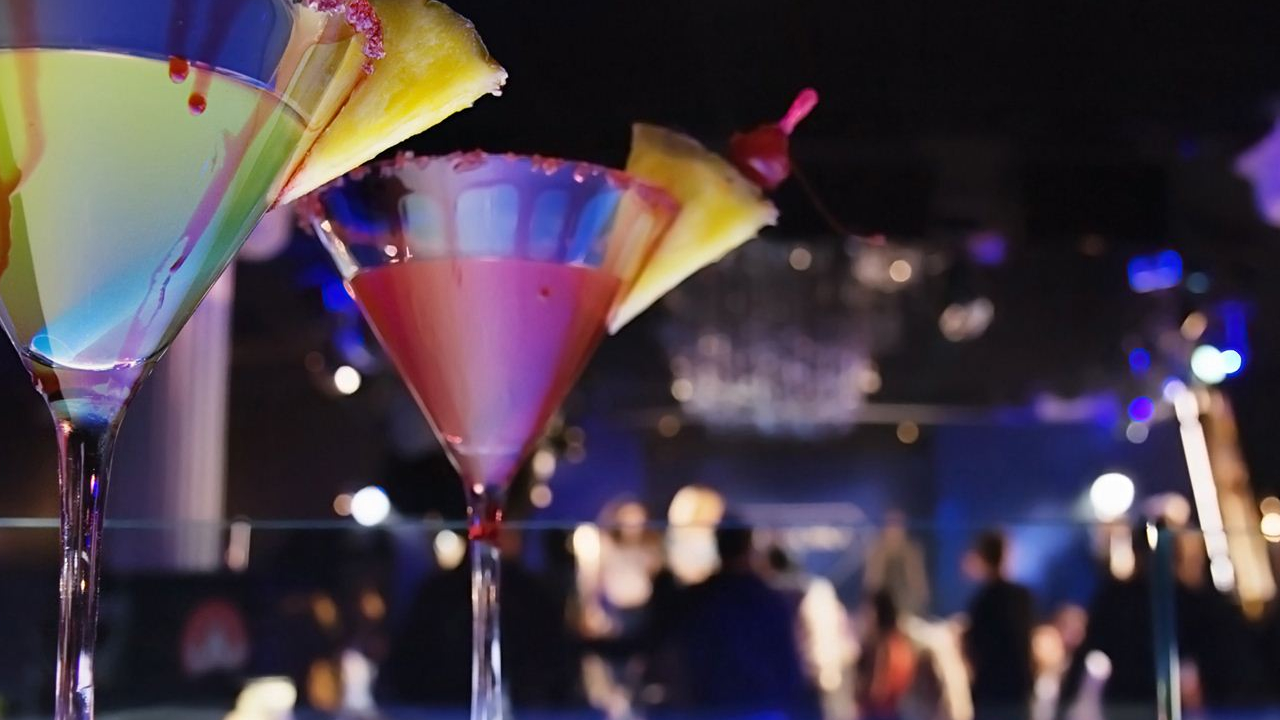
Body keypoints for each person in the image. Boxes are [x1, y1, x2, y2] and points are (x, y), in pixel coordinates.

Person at [665, 519, 814, 715]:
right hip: (761, 704)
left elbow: (681, 659)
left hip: (714, 705)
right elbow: (788, 663)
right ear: (749, 547)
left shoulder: (699, 599)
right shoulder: (769, 599)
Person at [962, 529, 1034, 720]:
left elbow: (975, 649)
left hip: (991, 696)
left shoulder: (982, 602)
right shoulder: (1022, 597)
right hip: (1017, 694)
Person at [856, 590, 918, 720]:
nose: (864, 616)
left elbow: (878, 691)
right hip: (896, 711)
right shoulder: (902, 642)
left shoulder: (881, 646)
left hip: (881, 712)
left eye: (868, 611)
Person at [864, 511, 930, 617]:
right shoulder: (877, 551)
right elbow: (872, 585)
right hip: (883, 612)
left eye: (898, 526)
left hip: (909, 610)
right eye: (890, 526)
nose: (894, 531)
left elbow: (920, 588)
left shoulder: (912, 552)